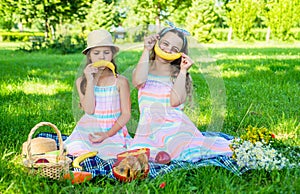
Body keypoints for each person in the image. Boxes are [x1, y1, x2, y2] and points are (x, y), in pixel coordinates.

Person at [129, 24, 233, 162]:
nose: (168, 50)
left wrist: (183, 71)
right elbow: (138, 82)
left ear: (180, 54)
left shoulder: (178, 74)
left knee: (184, 150)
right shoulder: (145, 68)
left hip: (173, 126)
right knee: (141, 153)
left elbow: (175, 102)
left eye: (175, 49)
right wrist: (146, 50)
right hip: (148, 129)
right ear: (156, 42)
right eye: (165, 44)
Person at [64, 29, 132, 160]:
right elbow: (89, 110)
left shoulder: (120, 81)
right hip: (89, 128)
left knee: (111, 154)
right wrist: (89, 81)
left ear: (112, 55)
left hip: (113, 129)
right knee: (76, 149)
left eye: (106, 52)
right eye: (96, 53)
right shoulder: (81, 82)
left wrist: (107, 134)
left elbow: (126, 114)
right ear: (89, 56)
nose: (102, 57)